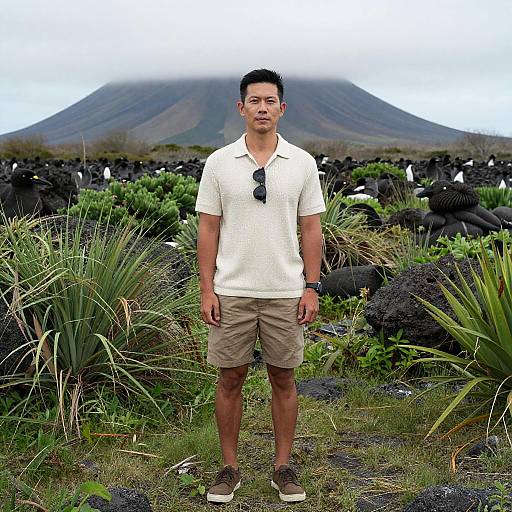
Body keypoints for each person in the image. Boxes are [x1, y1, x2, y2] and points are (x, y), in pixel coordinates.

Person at [195, 68, 325, 504]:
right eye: (254, 100)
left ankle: (281, 467)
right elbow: (208, 229)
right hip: (231, 289)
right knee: (229, 377)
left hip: (286, 291)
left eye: (270, 101)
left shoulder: (303, 163)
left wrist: (311, 287)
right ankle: (229, 468)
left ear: (282, 108)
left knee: (283, 378)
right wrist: (207, 289)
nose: (262, 108)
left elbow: (311, 230)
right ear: (241, 107)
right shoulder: (218, 163)